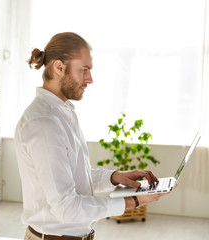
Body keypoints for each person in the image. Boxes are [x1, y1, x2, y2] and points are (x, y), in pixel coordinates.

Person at [14, 32, 169, 240]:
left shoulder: (64, 113)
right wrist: (134, 201)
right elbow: (66, 208)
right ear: (59, 67)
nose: (90, 79)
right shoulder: (43, 123)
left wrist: (115, 177)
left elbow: (75, 179)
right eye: (84, 70)